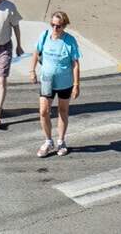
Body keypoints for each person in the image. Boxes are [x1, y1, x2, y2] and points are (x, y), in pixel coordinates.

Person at [30, 10, 81, 157]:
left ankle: (61, 141)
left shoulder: (70, 41)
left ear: (64, 26)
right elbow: (36, 52)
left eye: (58, 26)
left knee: (62, 111)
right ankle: (48, 141)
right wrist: (32, 70)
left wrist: (76, 84)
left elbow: (75, 64)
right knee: (43, 111)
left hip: (65, 82)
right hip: (47, 80)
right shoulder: (44, 36)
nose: (55, 28)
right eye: (52, 25)